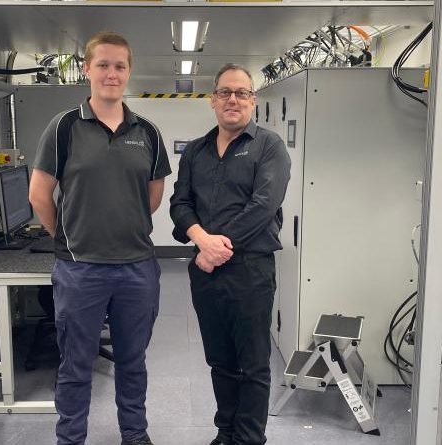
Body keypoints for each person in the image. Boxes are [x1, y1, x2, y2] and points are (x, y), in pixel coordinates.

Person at [28, 31, 171, 445]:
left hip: (137, 269)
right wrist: (69, 236)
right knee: (75, 364)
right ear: (87, 69)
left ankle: (135, 435)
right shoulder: (64, 127)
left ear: (129, 72)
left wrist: (123, 223)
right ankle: (70, 438)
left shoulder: (146, 131)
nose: (112, 73)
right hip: (80, 270)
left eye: (120, 66)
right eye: (103, 65)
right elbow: (39, 194)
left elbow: (154, 192)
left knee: (132, 361)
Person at [170, 63, 291, 445]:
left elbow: (263, 205)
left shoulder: (269, 146)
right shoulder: (196, 151)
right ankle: (227, 431)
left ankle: (249, 438)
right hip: (206, 272)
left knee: (253, 362)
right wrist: (200, 240)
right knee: (220, 360)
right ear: (213, 100)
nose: (233, 99)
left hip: (251, 271)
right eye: (225, 92)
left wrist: (214, 248)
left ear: (253, 101)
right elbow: (179, 202)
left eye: (241, 93)